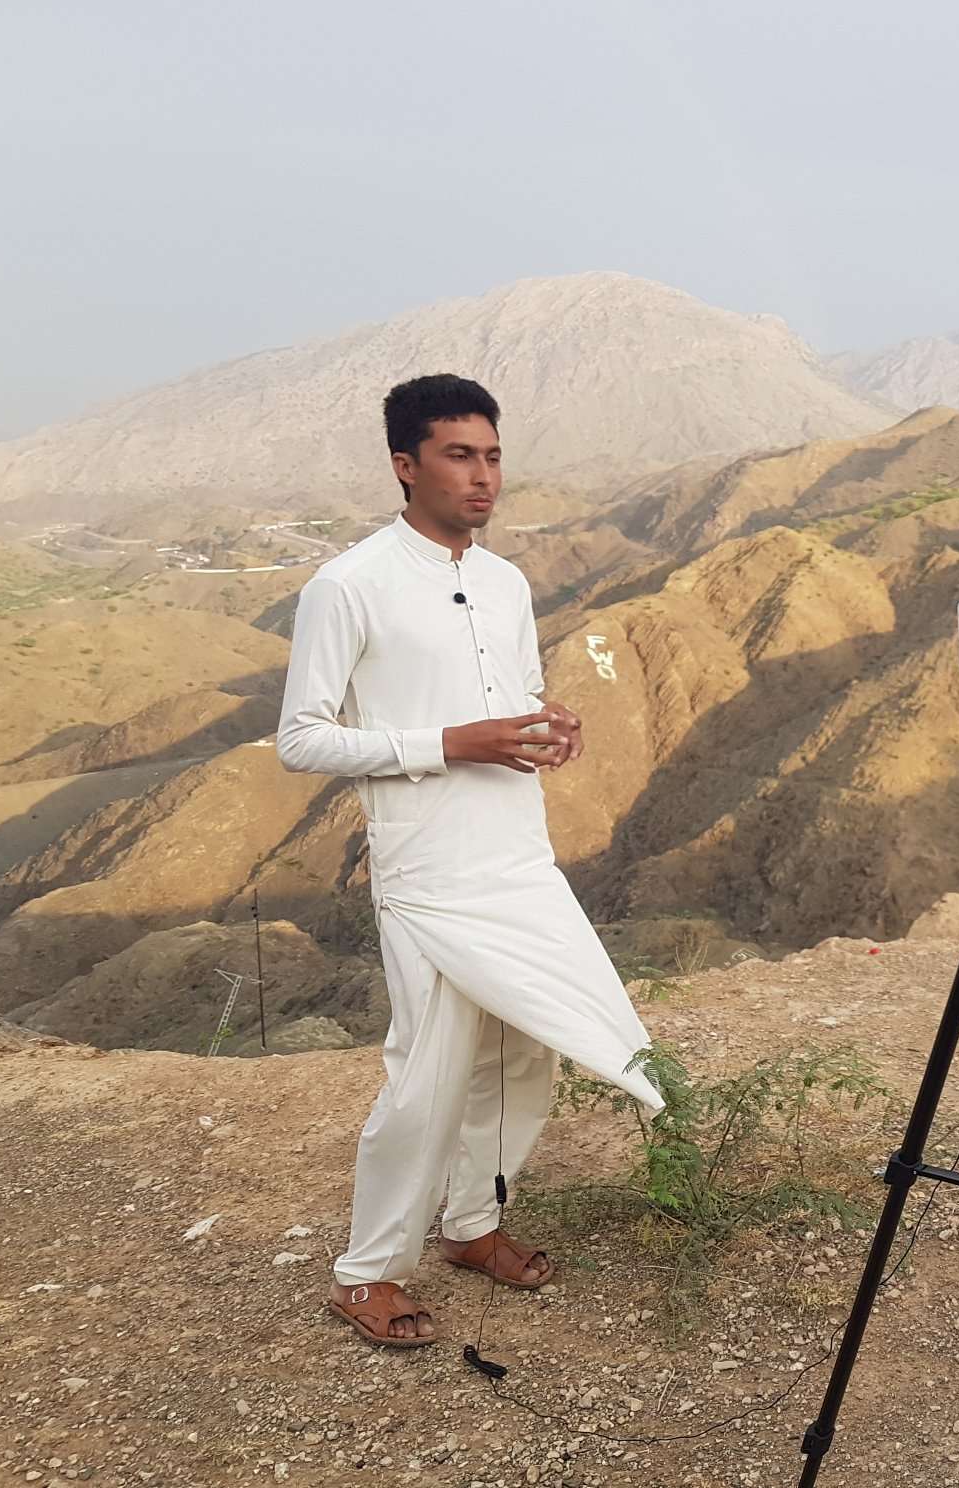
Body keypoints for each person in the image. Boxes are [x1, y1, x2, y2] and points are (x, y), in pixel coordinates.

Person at [278, 374, 665, 1349]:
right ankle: (365, 1274)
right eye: (460, 455)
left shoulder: (504, 582)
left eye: (493, 455)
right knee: (430, 1074)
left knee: (521, 1055)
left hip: (515, 854)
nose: (483, 476)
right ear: (405, 466)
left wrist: (549, 726)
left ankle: (471, 1225)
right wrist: (448, 742)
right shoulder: (349, 585)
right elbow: (303, 740)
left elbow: (514, 702)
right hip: (428, 868)